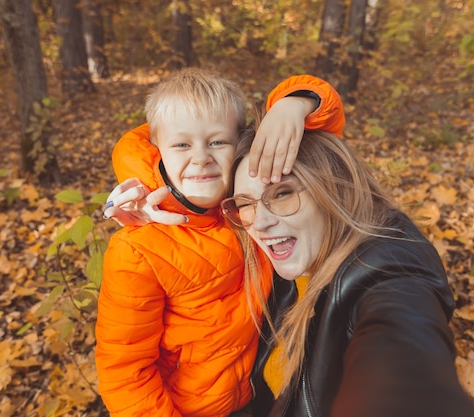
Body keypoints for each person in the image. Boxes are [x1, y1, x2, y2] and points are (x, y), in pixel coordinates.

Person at [95, 68, 345, 417]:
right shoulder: (138, 249)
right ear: (158, 150)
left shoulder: (249, 209)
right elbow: (124, 369)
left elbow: (321, 131)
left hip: (253, 396)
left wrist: (294, 105)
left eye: (217, 142)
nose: (201, 158)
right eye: (182, 144)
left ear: (242, 143)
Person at [219, 123, 474, 417]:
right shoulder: (282, 267)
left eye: (282, 194)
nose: (259, 222)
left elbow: (401, 344)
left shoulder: (387, 269)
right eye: (245, 203)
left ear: (330, 187)